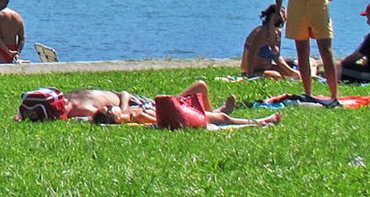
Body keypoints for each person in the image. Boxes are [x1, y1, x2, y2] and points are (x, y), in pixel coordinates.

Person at [62, 81, 278, 128]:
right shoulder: (132, 116)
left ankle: (213, 111)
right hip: (170, 114)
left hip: (167, 112)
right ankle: (260, 122)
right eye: (109, 109)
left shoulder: (128, 114)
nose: (111, 105)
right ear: (116, 117)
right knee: (222, 119)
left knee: (203, 90)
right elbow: (156, 121)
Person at [241, 3, 299, 80]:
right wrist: (250, 75)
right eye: (283, 15)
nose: (285, 18)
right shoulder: (261, 32)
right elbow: (251, 54)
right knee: (276, 75)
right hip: (251, 70)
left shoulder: (278, 33)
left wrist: (290, 71)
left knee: (294, 74)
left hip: (267, 67)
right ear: (273, 16)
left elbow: (276, 57)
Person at [0, 0, 25, 64]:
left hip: (1, 50)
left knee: (0, 70)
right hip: (14, 50)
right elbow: (22, 38)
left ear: (0, 1)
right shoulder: (17, 16)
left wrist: (8, 52)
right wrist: (17, 52)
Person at [339, 3, 370, 84]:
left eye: (368, 18)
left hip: (367, 75)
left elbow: (353, 58)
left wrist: (340, 63)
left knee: (338, 66)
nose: (367, 22)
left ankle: (333, 82)